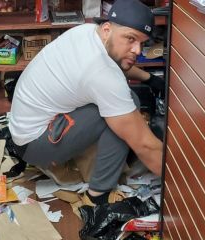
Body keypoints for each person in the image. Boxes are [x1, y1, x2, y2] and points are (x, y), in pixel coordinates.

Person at [9, 0, 165, 206]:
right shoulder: (101, 74)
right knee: (125, 108)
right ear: (108, 29)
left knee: (122, 101)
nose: (137, 50)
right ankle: (97, 194)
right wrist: (182, 183)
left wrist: (150, 79)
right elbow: (145, 145)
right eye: (130, 39)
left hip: (23, 129)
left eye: (142, 43)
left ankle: (86, 163)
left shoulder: (88, 31)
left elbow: (118, 62)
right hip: (36, 145)